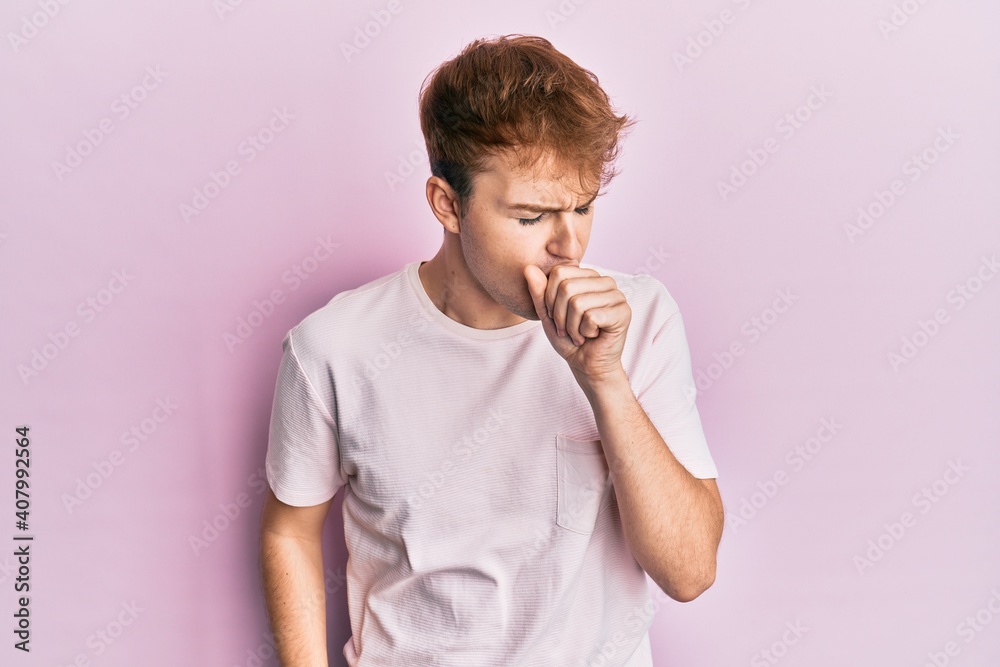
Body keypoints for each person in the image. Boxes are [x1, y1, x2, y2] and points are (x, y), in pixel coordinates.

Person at [258, 33, 724, 667]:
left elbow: (690, 572)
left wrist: (605, 380)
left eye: (583, 207)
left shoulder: (638, 320)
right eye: (531, 217)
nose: (569, 246)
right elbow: (289, 530)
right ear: (447, 205)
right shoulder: (333, 347)